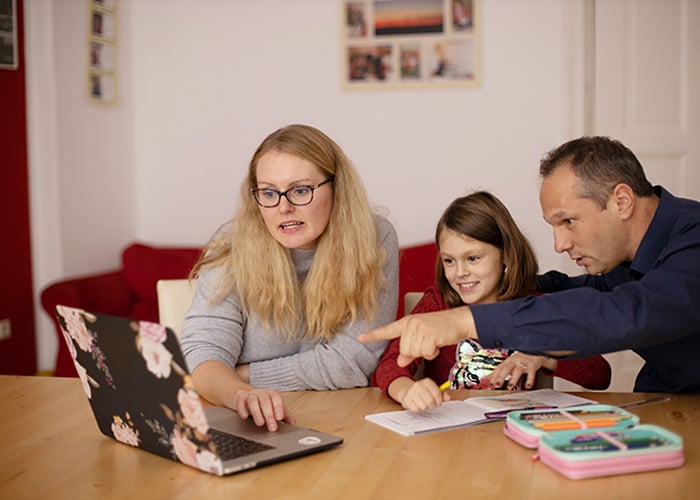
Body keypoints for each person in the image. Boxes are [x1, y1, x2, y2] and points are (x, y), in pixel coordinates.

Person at [361, 136, 700, 393]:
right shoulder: (622, 262)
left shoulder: (693, 242)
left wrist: (465, 320)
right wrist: (499, 283)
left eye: (567, 221)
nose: (560, 243)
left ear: (621, 201)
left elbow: (624, 311)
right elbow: (565, 288)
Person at [180, 124, 399, 431]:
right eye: (269, 192)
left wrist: (241, 374)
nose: (283, 207)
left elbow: (354, 363)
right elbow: (201, 357)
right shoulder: (233, 245)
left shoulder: (374, 237)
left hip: (343, 422)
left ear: (337, 188)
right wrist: (240, 392)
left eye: (300, 190)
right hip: (246, 422)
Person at [372, 192, 610, 411]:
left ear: (505, 255)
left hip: (514, 434)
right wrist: (407, 390)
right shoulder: (437, 304)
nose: (460, 272)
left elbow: (600, 374)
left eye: (473, 258)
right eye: (449, 261)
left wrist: (544, 354)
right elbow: (389, 365)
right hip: (448, 438)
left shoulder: (533, 308)